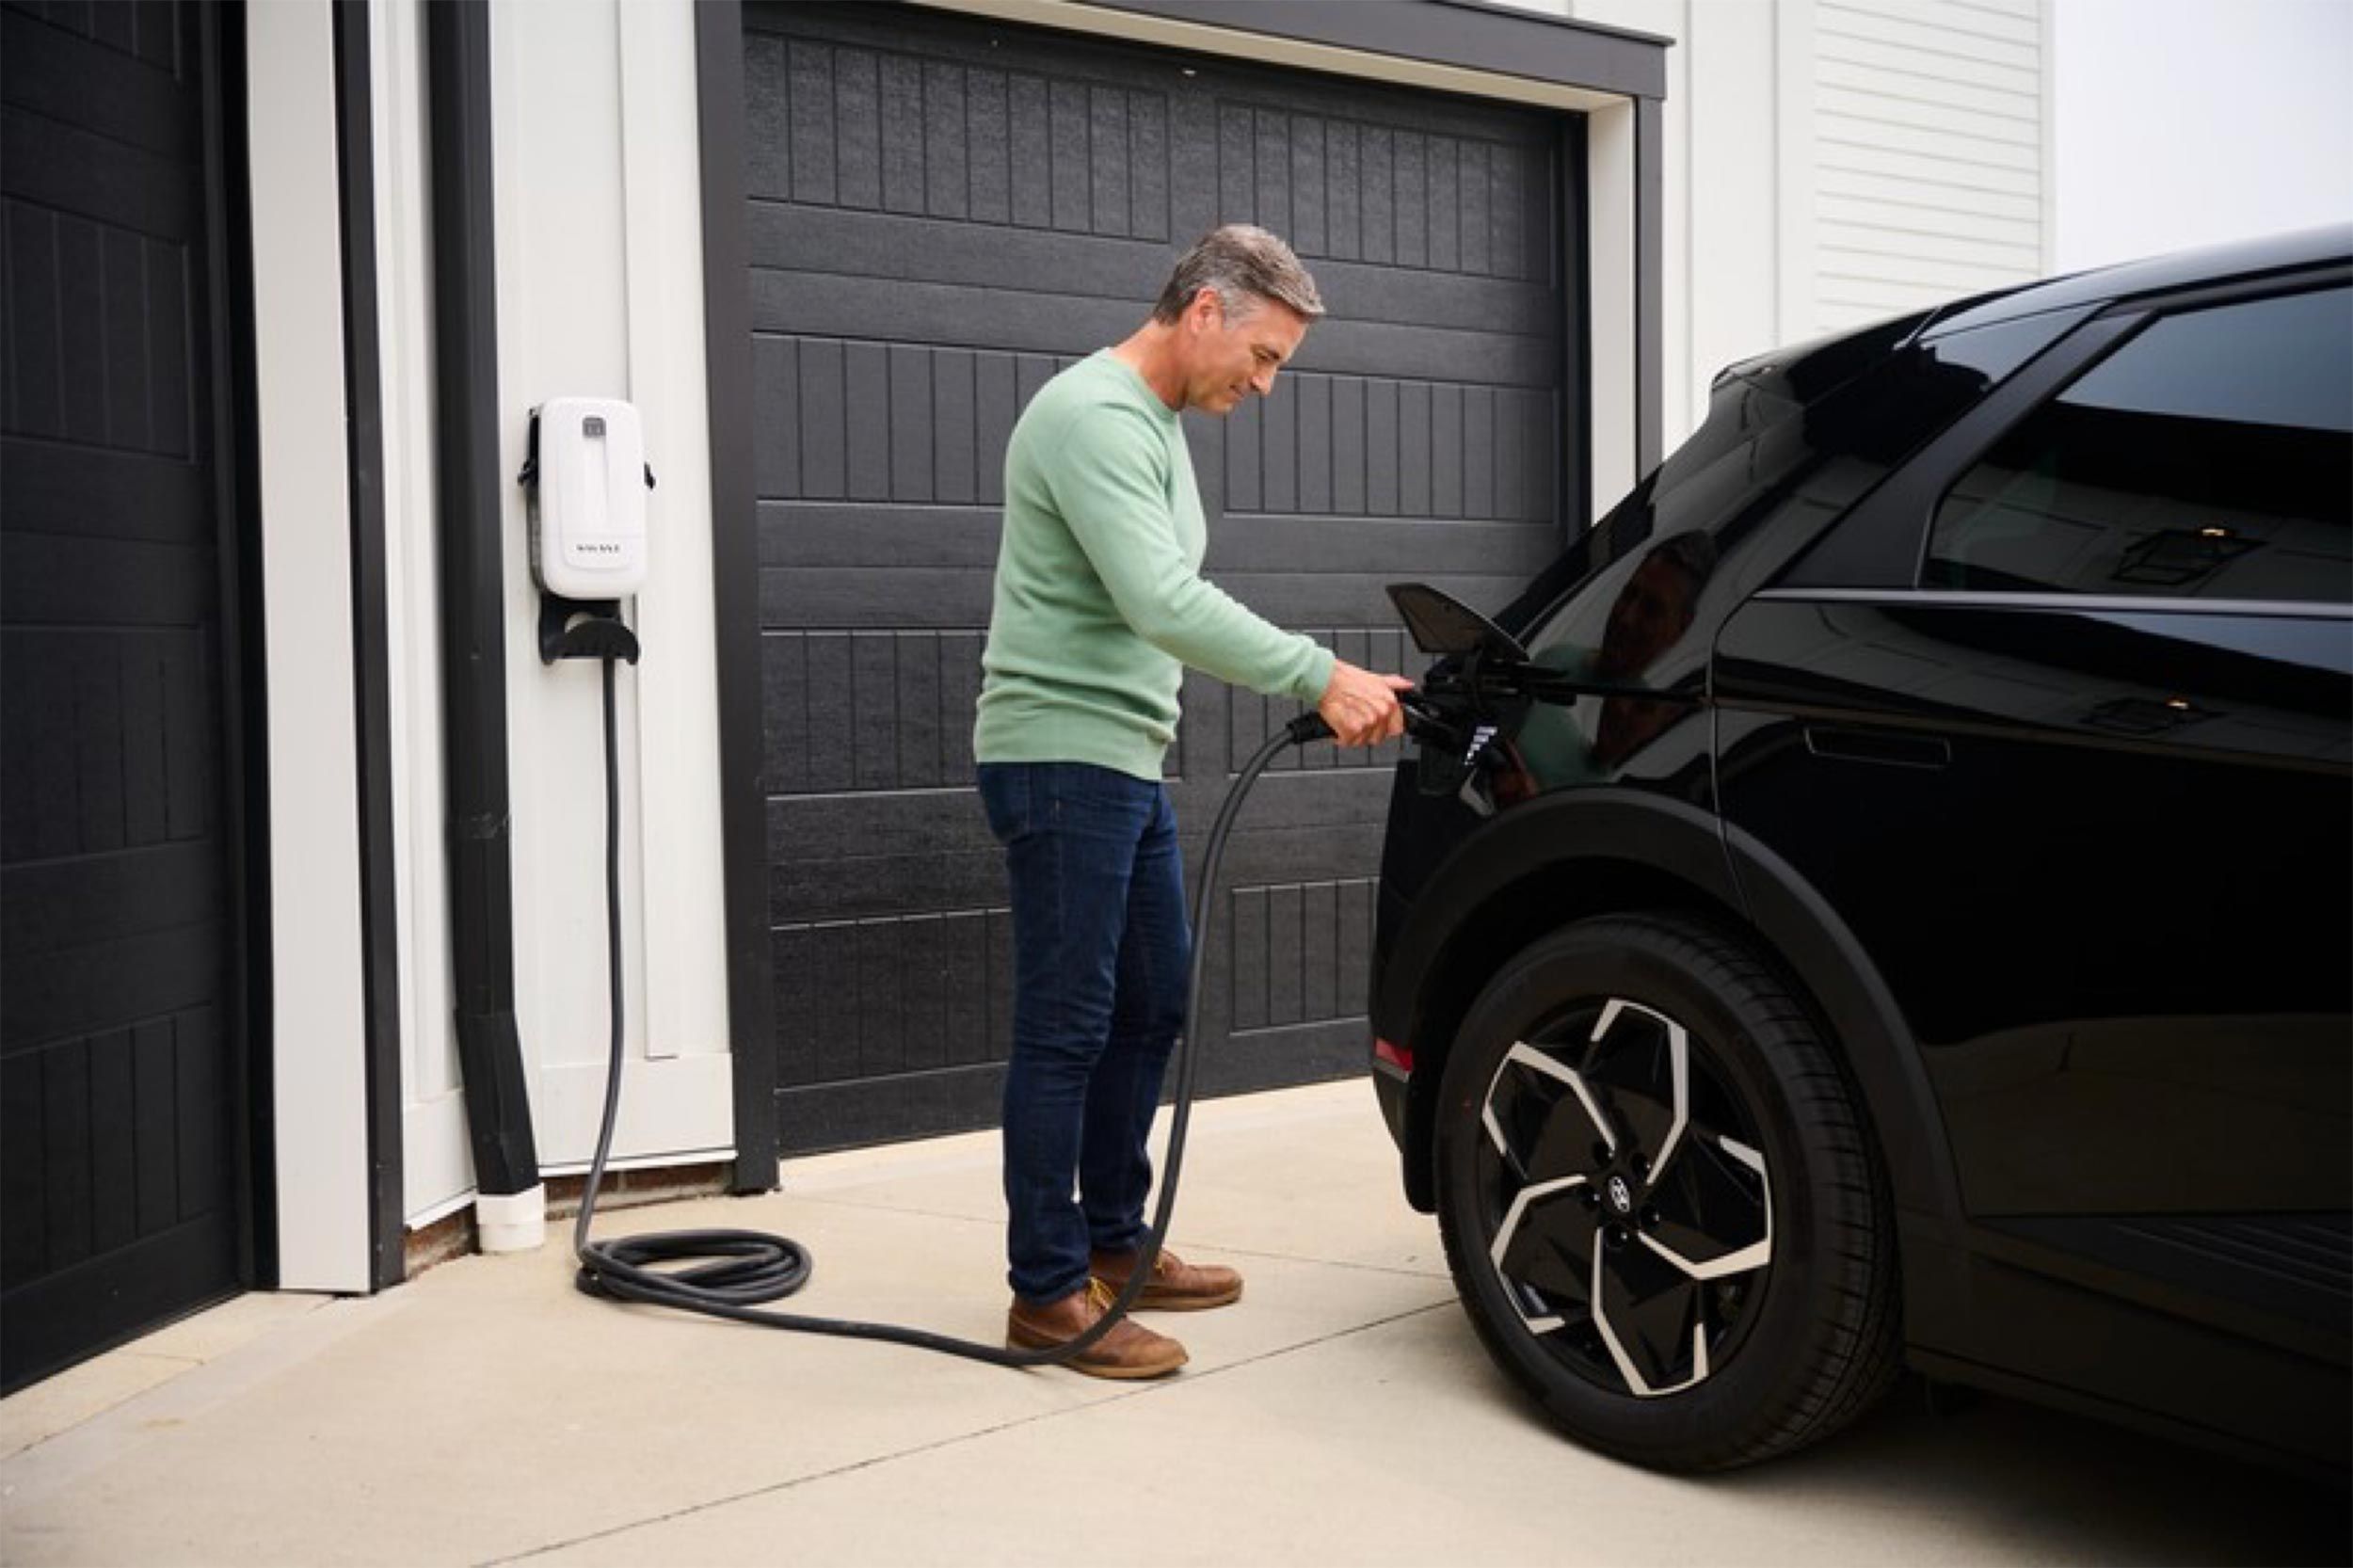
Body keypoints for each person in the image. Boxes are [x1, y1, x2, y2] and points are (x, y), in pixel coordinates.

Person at [973, 225, 1411, 1378]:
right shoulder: (1092, 418)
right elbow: (1162, 599)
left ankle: (1116, 1238)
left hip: (1121, 758)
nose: (1262, 385)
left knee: (1153, 999)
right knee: (1064, 1027)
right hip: (1061, 758)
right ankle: (1046, 1291)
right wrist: (1320, 671)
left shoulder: (1153, 427)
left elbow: (1161, 600)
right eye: (1262, 357)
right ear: (1204, 309)